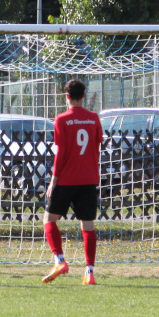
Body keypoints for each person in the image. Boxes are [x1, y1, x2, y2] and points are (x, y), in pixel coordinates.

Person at [41, 79, 104, 285]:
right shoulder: (94, 118)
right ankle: (90, 272)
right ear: (83, 96)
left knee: (49, 220)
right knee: (88, 225)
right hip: (88, 179)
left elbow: (61, 153)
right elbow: (96, 145)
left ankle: (60, 260)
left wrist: (53, 180)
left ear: (66, 96)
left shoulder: (61, 119)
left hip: (67, 179)